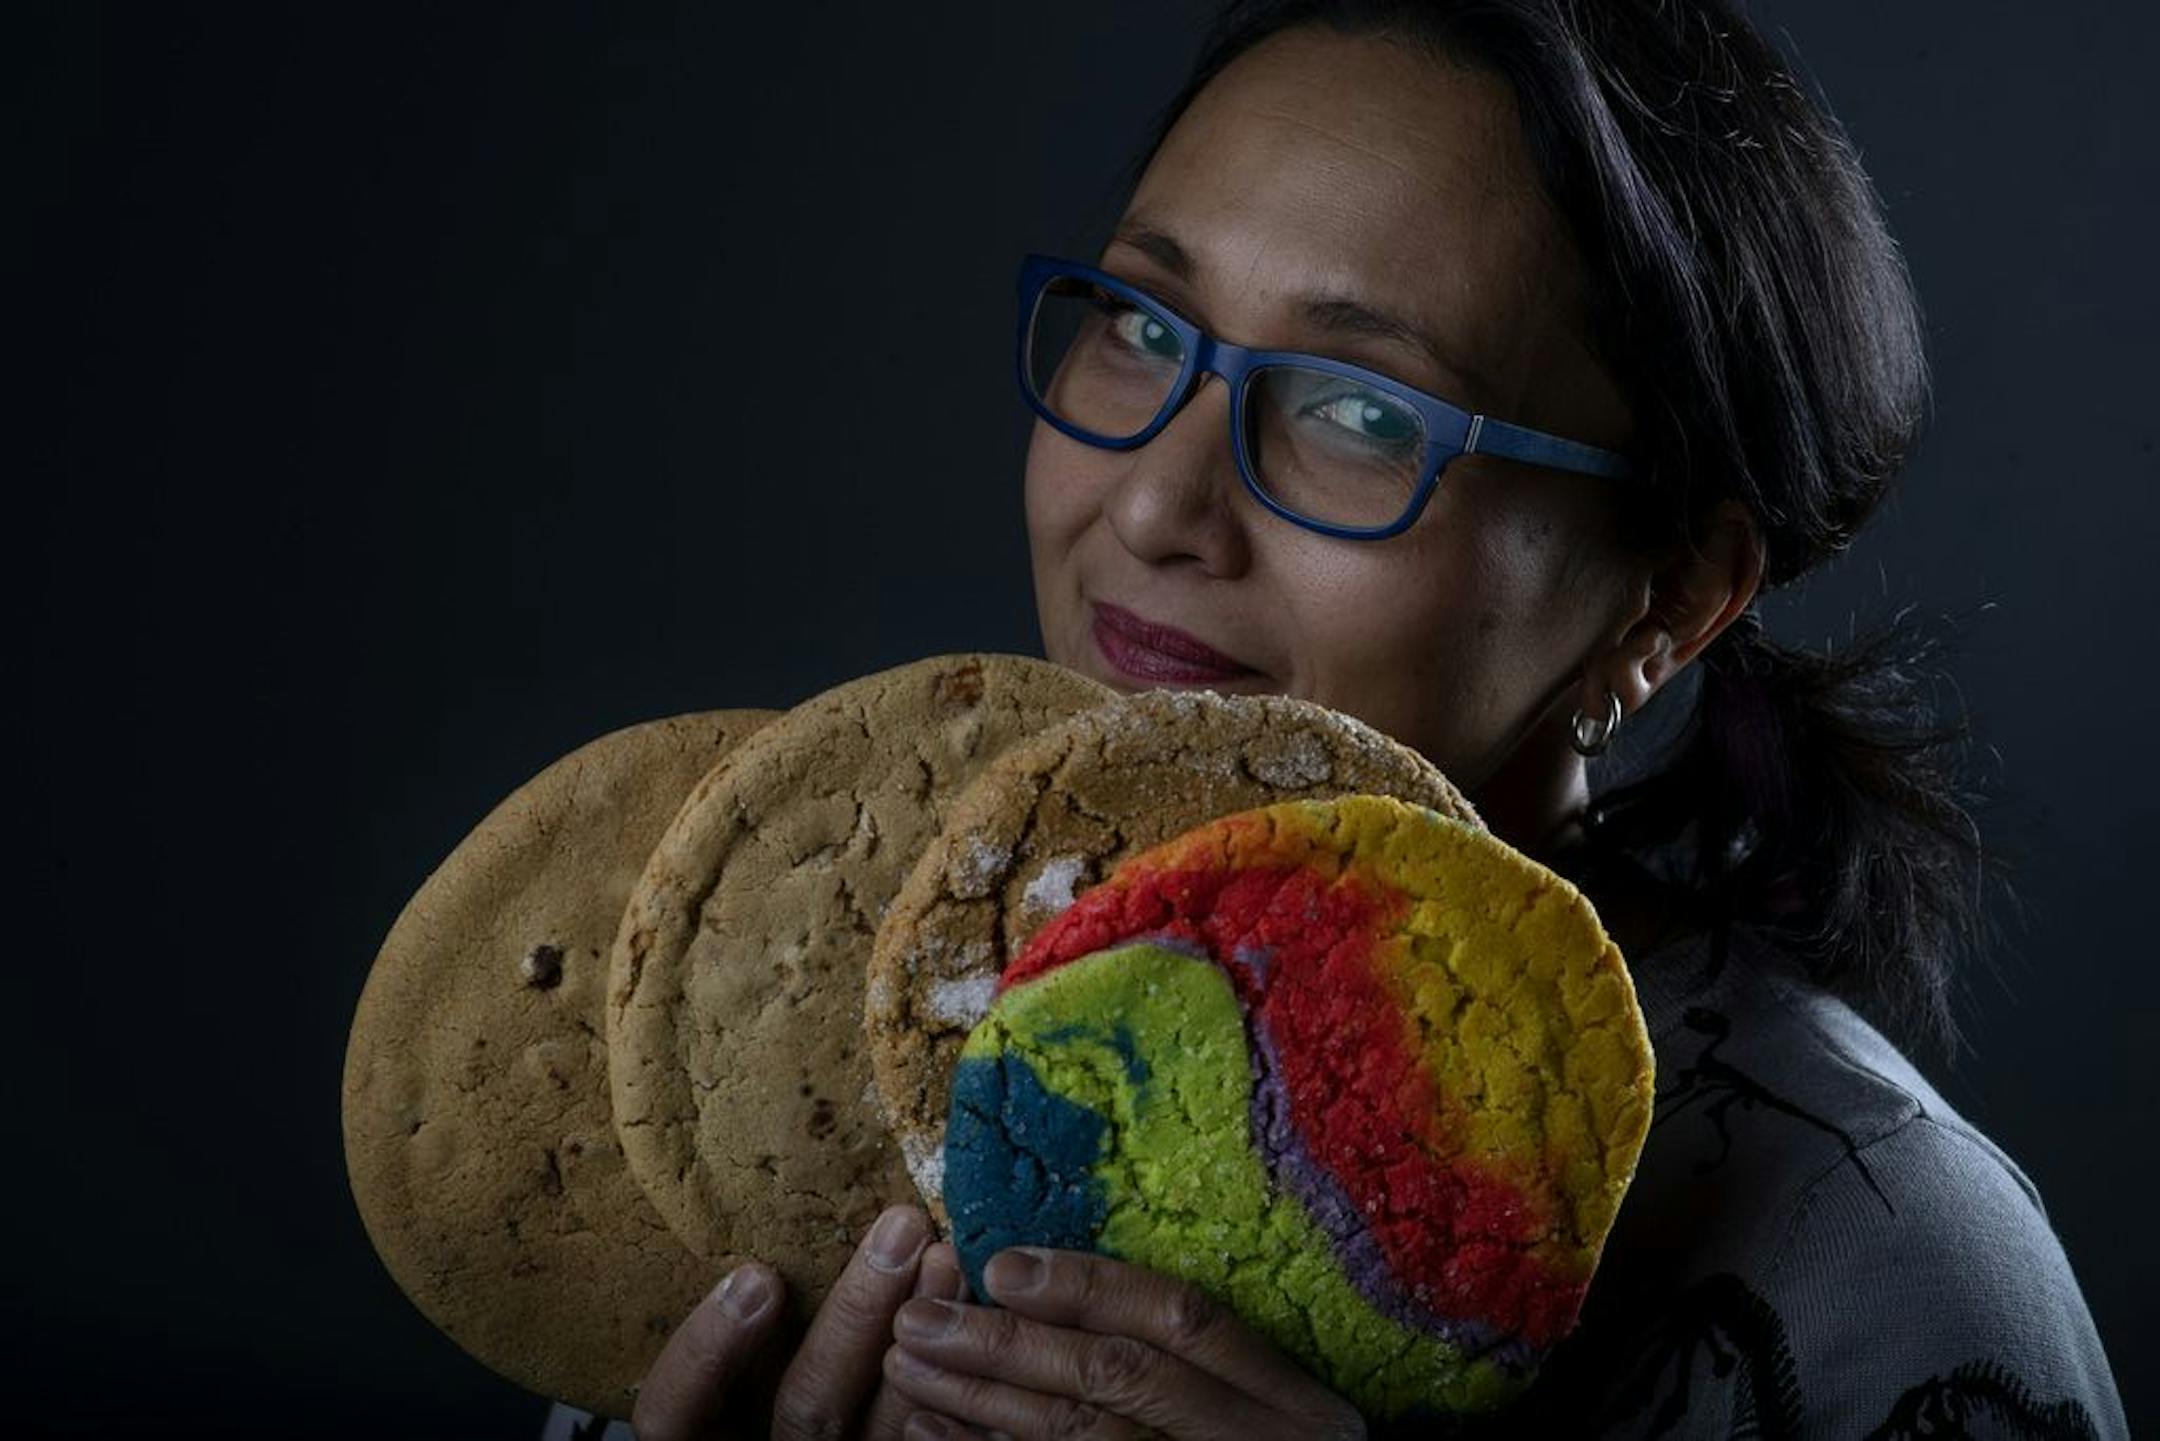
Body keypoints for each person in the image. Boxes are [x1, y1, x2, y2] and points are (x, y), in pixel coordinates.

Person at [551, 1, 2129, 1435]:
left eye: (1363, 412)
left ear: (1672, 597)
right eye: (1145, 327)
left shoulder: (1882, 1273)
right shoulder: (729, 1182)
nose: (1161, 499)